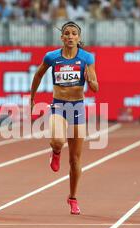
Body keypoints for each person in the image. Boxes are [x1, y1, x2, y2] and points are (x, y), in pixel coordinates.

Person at [30, 21, 99, 215]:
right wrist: (33, 97)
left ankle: (73, 198)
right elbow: (38, 75)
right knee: (58, 140)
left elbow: (95, 88)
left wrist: (91, 80)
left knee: (75, 160)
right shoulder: (52, 57)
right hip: (58, 105)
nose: (70, 36)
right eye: (66, 33)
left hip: (77, 106)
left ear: (78, 37)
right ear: (62, 37)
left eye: (73, 33)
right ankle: (56, 151)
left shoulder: (86, 57)